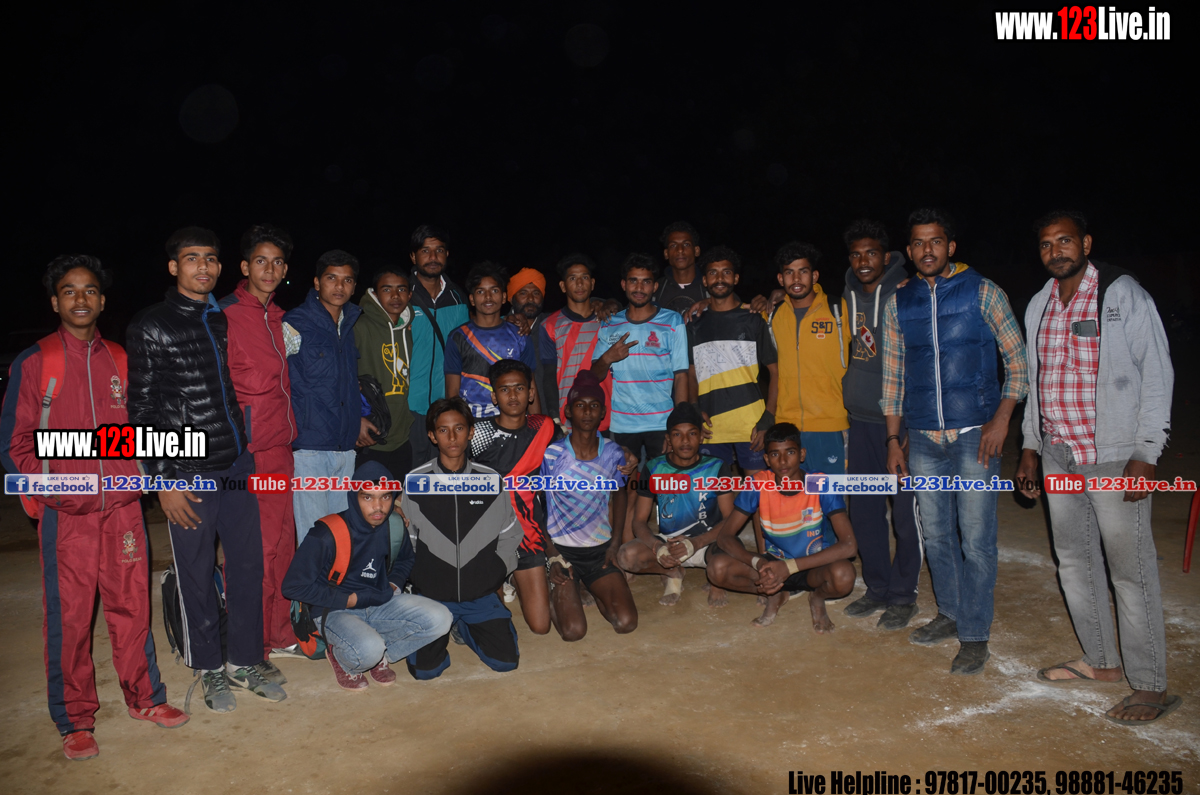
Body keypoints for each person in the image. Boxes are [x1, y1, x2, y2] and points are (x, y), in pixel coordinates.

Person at [1, 255, 187, 760]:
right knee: (70, 618)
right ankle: (75, 719)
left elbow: (147, 429)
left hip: (123, 510)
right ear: (54, 301)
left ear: (102, 301)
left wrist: (143, 476)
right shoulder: (36, 362)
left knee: (132, 606)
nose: (80, 299)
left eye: (89, 291)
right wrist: (56, 493)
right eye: (69, 291)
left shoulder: (122, 359)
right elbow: (14, 445)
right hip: (68, 517)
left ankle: (146, 698)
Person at [1014, 211, 1180, 724]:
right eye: (1046, 244)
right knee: (1074, 563)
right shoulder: (1040, 303)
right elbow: (1036, 381)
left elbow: (1157, 372)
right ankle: (1102, 661)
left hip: (1112, 454)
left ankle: (1150, 684)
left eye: (1065, 241)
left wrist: (1146, 452)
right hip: (1059, 454)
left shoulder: (1121, 294)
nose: (1056, 251)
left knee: (1129, 571)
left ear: (1085, 243)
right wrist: (1030, 445)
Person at [127, 227, 285, 711]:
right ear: (174, 267)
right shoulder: (150, 325)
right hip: (186, 471)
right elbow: (141, 410)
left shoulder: (218, 320)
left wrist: (246, 451)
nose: (204, 267)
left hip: (236, 463)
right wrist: (163, 481)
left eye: (211, 258)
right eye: (192, 258)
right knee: (196, 573)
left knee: (247, 566)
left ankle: (243, 660)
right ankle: (209, 667)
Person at [882, 208, 1028, 676]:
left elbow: (1018, 362)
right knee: (938, 534)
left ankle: (975, 634)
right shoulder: (898, 302)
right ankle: (949, 612)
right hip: (923, 437)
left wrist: (1001, 420)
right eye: (918, 243)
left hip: (975, 437)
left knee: (977, 540)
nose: (927, 250)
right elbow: (893, 378)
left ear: (951, 246)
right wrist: (893, 440)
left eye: (936, 241)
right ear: (909, 251)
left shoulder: (983, 291)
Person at [281, 462, 453, 691]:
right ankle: (345, 655)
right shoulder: (326, 534)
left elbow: (405, 560)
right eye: (368, 497)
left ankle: (379, 653)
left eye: (385, 497)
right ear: (354, 497)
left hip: (379, 601)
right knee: (368, 651)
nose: (378, 507)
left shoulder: (394, 526)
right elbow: (292, 587)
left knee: (442, 618)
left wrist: (393, 585)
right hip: (335, 609)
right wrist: (348, 600)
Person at [218, 224, 300, 674]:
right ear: (245, 266)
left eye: (277, 262)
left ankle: (281, 633)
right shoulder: (225, 315)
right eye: (261, 261)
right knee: (258, 552)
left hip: (282, 448)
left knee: (284, 545)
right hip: (250, 454)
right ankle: (254, 643)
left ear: (285, 270)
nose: (269, 269)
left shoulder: (277, 318)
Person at [837, 220, 922, 631]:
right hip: (860, 421)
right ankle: (877, 587)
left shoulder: (907, 292)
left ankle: (904, 595)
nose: (863, 261)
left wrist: (908, 428)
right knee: (866, 511)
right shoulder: (847, 295)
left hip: (901, 423)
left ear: (886, 256)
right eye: (856, 254)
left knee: (905, 514)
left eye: (871, 253)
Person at [402, 397, 522, 679]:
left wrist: (496, 571)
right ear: (432, 436)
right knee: (425, 671)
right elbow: (407, 541)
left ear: (470, 432)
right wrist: (418, 577)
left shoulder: (490, 480)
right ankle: (443, 625)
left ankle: (464, 627)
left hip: (479, 595)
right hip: (433, 598)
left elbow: (510, 533)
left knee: (506, 662)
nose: (452, 437)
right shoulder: (416, 482)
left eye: (459, 428)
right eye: (443, 430)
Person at [706, 423, 857, 632]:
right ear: (767, 459)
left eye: (790, 452)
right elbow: (725, 537)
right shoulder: (758, 483)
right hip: (771, 566)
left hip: (811, 566)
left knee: (844, 575)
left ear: (802, 454)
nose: (783, 461)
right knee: (717, 569)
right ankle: (775, 593)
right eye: (775, 454)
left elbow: (849, 546)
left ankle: (817, 598)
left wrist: (790, 567)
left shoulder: (819, 483)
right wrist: (758, 562)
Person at [591, 253, 689, 540]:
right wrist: (608, 357)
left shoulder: (672, 321)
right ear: (623, 284)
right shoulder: (610, 324)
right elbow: (594, 375)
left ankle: (675, 545)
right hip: (623, 423)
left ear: (655, 286)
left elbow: (681, 374)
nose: (639, 287)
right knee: (624, 489)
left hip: (662, 421)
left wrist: (679, 424)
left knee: (667, 486)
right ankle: (622, 546)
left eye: (646, 282)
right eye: (633, 281)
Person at [469, 359, 565, 634]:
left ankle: (515, 577)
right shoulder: (477, 433)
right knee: (494, 623)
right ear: (494, 396)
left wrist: (620, 454)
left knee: (541, 626)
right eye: (504, 389)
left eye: (520, 388)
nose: (513, 396)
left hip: (527, 534)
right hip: (486, 539)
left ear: (531, 393)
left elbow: (575, 455)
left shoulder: (544, 428)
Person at [541, 371, 638, 639]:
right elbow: (537, 504)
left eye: (594, 405)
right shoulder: (553, 454)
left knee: (626, 622)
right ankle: (554, 589)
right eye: (580, 405)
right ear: (568, 411)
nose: (587, 412)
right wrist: (551, 553)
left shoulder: (613, 452)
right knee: (573, 631)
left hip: (599, 550)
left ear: (603, 412)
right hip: (562, 550)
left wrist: (615, 543)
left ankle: (588, 585)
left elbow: (620, 493)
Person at [283, 249, 369, 546]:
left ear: (354, 287)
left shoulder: (350, 324)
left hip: (345, 448)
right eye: (332, 278)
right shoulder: (295, 323)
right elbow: (276, 379)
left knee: (340, 536)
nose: (339, 286)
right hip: (309, 450)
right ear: (317, 282)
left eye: (347, 280)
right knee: (313, 538)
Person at [617, 403, 734, 606]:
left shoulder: (717, 467)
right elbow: (639, 521)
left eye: (692, 433)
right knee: (626, 556)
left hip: (707, 542)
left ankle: (716, 581)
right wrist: (658, 547)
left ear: (701, 437)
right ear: (668, 439)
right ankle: (672, 571)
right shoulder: (654, 468)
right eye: (677, 434)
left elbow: (730, 519)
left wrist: (696, 542)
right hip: (669, 544)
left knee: (724, 562)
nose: (685, 441)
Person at [766, 241, 851, 487]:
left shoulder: (839, 310)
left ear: (814, 276)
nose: (796, 279)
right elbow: (732, 309)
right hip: (786, 427)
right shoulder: (772, 315)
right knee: (794, 500)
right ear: (780, 279)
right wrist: (705, 302)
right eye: (789, 272)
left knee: (831, 498)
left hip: (830, 423)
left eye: (803, 271)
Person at [686, 245, 777, 474]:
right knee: (716, 492)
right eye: (713, 273)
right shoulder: (695, 324)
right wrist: (695, 408)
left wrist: (768, 417)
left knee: (758, 491)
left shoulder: (753, 319)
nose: (719, 278)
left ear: (735, 278)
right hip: (710, 426)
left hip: (751, 425)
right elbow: (691, 373)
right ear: (705, 280)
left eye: (726, 272)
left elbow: (775, 372)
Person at [407, 225, 470, 465]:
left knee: (445, 474)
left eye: (439, 250)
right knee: (410, 474)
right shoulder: (401, 295)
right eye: (425, 251)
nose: (433, 257)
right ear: (413, 256)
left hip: (448, 408)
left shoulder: (458, 298)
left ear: (447, 254)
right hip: (409, 406)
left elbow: (476, 335)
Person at [444, 262, 540, 419]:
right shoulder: (458, 337)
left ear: (504, 297)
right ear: (472, 299)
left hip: (512, 423)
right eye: (480, 291)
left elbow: (531, 385)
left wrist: (538, 425)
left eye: (494, 290)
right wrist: (460, 426)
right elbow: (452, 392)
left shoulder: (520, 335)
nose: (488, 297)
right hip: (473, 423)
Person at [355, 264, 416, 479]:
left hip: (402, 437)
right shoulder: (359, 327)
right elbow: (341, 376)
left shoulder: (409, 329)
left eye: (401, 289)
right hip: (370, 437)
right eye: (387, 289)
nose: (395, 295)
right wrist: (355, 419)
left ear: (410, 294)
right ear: (375, 293)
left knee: (399, 497)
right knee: (368, 498)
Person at [539, 253, 614, 429]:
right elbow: (549, 376)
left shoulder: (609, 321)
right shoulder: (549, 325)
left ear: (592, 283)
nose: (579, 284)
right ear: (563, 286)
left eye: (584, 277)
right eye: (572, 278)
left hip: (606, 416)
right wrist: (554, 419)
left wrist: (612, 303)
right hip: (567, 417)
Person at [656, 221, 708, 316]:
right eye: (673, 245)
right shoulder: (655, 289)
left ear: (696, 251)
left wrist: (712, 301)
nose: (680, 250)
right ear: (666, 253)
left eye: (686, 244)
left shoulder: (711, 287)